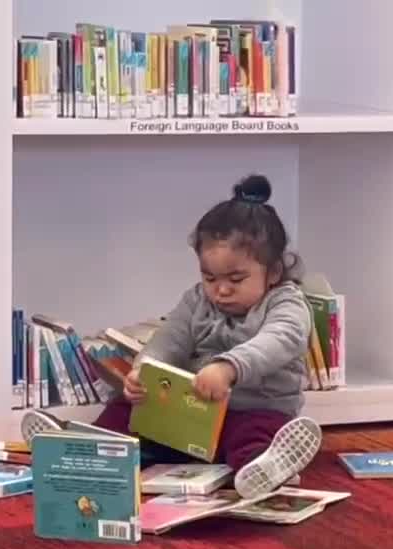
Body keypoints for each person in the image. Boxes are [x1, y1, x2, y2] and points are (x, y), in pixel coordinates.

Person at [92, 174, 322, 498]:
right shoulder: (197, 299)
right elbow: (169, 339)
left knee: (252, 437)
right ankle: (88, 450)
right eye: (210, 277)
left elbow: (279, 340)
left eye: (236, 278)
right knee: (125, 410)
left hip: (253, 411)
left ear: (273, 272)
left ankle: (264, 469)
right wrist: (144, 370)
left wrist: (228, 368)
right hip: (193, 413)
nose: (221, 289)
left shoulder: (286, 302)